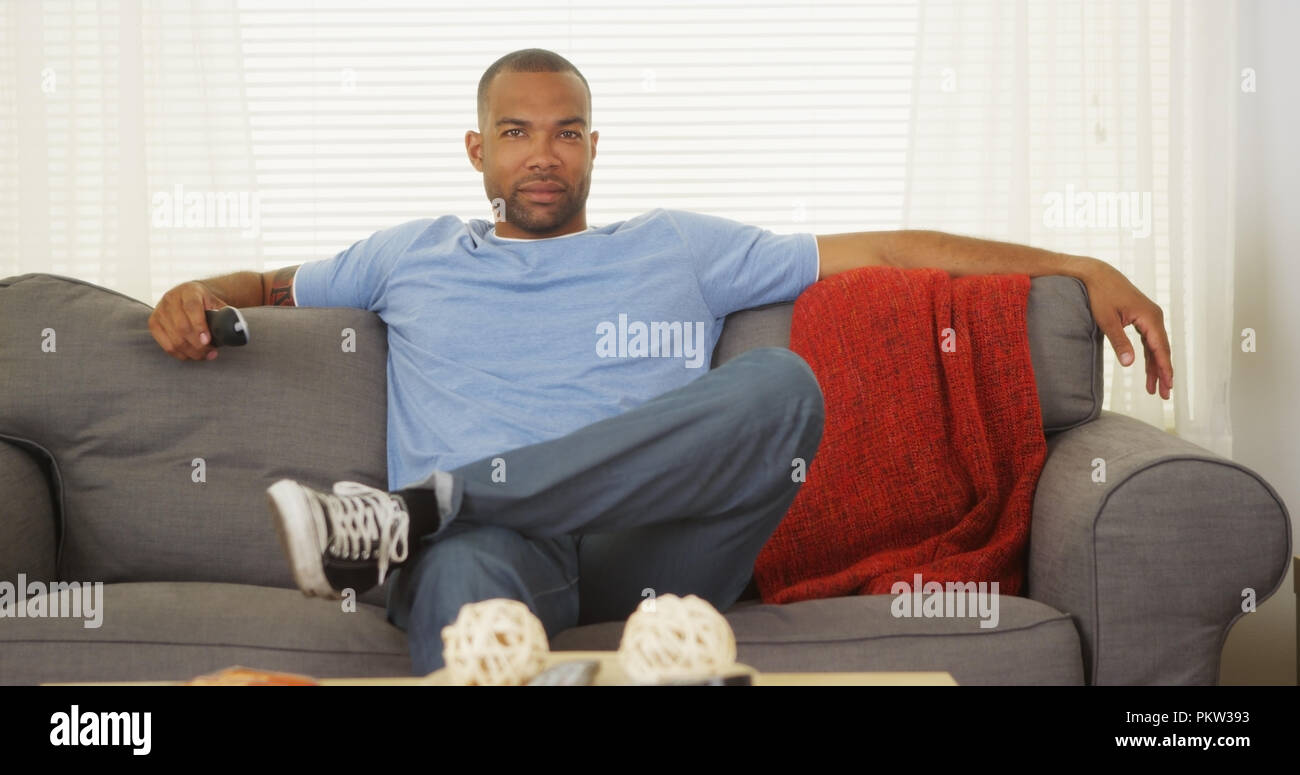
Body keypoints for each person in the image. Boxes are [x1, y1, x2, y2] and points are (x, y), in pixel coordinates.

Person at [148, 48, 1175, 675]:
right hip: (491, 557)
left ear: (595, 146)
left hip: (652, 556)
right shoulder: (407, 254)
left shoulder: (677, 245)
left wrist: (1073, 263)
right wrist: (200, 290)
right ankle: (448, 527)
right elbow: (270, 284)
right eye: (515, 133)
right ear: (476, 151)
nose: (540, 154)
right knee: (465, 582)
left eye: (563, 133)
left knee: (784, 386)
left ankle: (424, 505)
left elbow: (890, 248)